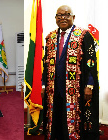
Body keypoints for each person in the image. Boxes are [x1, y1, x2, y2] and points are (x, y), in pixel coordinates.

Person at [42, 5, 99, 140]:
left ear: (73, 17)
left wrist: (89, 86)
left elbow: (91, 63)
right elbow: (45, 63)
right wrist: (44, 84)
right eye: (59, 15)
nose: (63, 18)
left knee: (75, 120)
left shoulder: (84, 35)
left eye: (66, 14)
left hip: (77, 89)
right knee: (57, 117)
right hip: (54, 88)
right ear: (56, 18)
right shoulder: (50, 37)